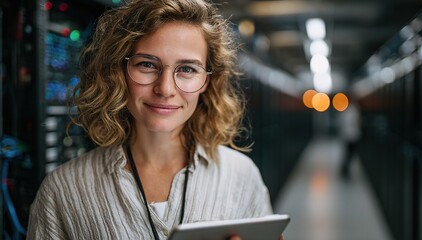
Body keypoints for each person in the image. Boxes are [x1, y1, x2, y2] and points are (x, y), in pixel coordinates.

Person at [27, 0, 276, 239]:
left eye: (187, 69)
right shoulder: (63, 190)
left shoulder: (241, 176)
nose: (165, 88)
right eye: (147, 64)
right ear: (120, 72)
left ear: (206, 81)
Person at [339, 100, 362, 179]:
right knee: (349, 153)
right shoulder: (354, 111)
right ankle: (345, 169)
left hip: (348, 136)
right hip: (351, 136)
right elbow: (357, 122)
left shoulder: (346, 111)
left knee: (348, 153)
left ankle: (345, 169)